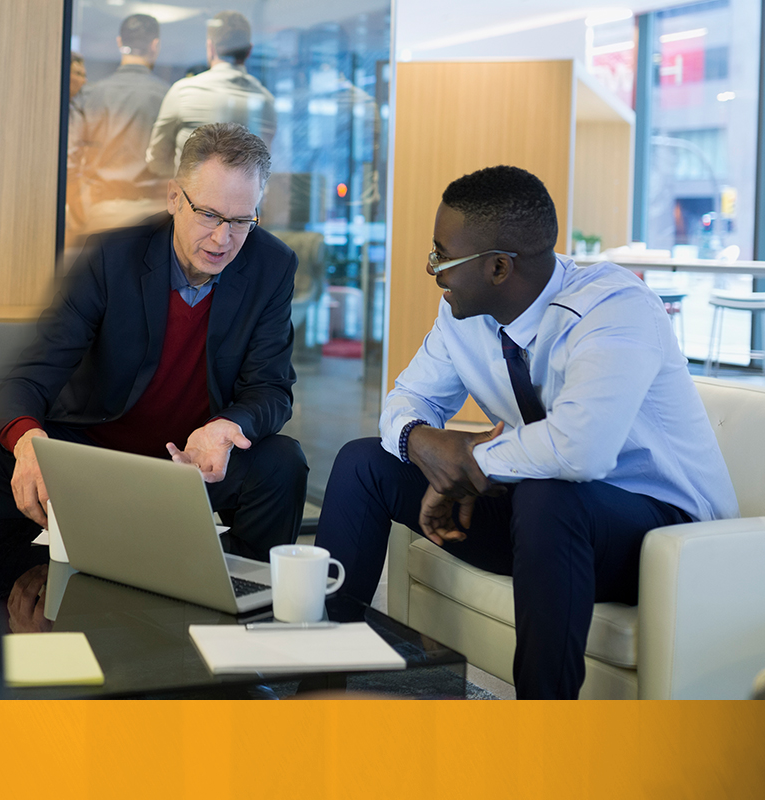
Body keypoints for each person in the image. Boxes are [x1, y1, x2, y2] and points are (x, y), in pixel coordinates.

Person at [315, 165, 738, 699]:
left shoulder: (614, 307)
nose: (432, 269)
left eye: (442, 255)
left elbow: (580, 449)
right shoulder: (463, 315)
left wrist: (473, 464)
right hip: (548, 523)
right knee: (364, 463)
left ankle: (541, 730)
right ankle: (317, 681)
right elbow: (406, 401)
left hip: (666, 536)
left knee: (549, 496)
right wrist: (421, 440)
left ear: (497, 267)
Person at [0, 123, 308, 561]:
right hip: (95, 449)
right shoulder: (111, 257)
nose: (222, 239)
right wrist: (29, 443)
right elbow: (31, 377)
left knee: (283, 462)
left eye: (240, 221)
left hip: (193, 460)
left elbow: (271, 389)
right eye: (208, 215)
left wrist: (225, 426)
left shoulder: (273, 265)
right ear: (174, 197)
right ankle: (7, 588)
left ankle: (240, 592)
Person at [66, 13, 169, 234]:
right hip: (152, 218)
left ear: (120, 42)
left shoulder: (91, 96)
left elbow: (70, 162)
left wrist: (81, 213)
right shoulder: (167, 96)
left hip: (101, 214)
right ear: (155, 45)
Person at [145, 11, 276, 178]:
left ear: (210, 47)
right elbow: (267, 166)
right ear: (249, 51)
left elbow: (156, 160)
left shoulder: (183, 92)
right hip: (250, 196)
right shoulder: (266, 101)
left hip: (192, 194)